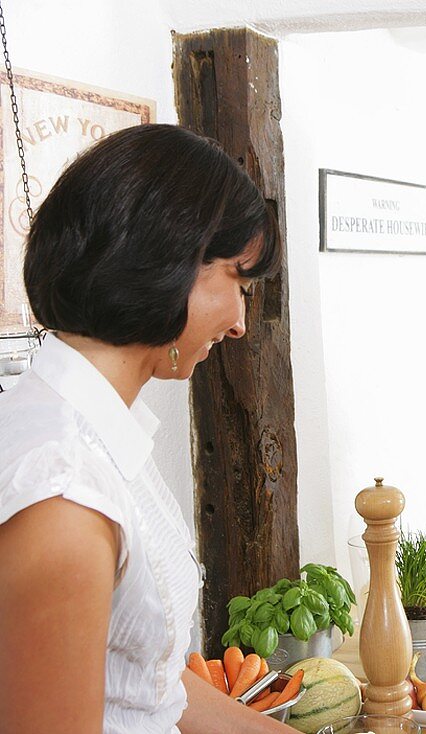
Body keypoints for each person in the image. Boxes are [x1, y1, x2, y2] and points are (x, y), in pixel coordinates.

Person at [0, 124, 297, 733]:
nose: (240, 322)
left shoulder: (102, 435)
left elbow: (150, 686)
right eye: (236, 282)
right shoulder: (64, 492)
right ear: (168, 263)